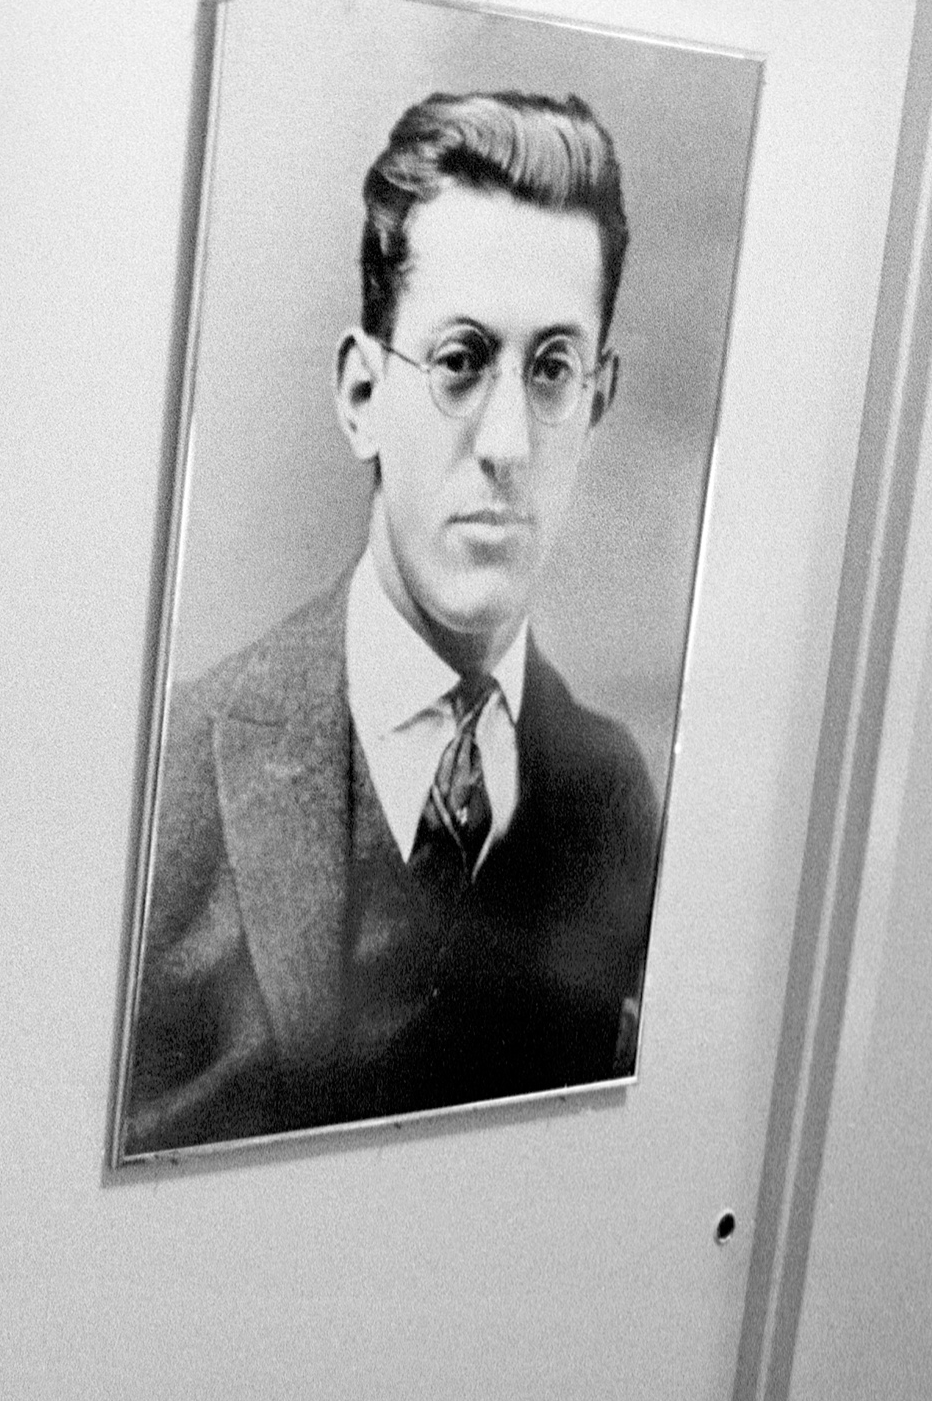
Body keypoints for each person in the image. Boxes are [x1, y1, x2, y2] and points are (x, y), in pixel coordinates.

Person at [121, 91, 662, 1157]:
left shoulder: (613, 794)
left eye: (552, 370)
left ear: (597, 402)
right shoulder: (181, 767)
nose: (508, 439)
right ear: (364, 392)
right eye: (461, 361)